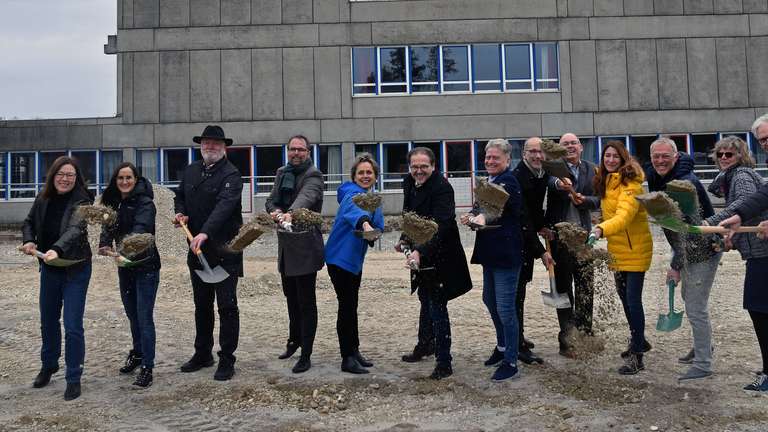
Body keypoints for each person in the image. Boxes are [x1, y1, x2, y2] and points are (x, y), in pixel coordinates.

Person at [644, 137, 721, 381]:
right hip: (687, 248)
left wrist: (675, 266)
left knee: (695, 307)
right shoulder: (661, 178)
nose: (660, 160)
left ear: (676, 157)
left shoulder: (684, 185)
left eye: (665, 156)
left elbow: (688, 231)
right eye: (656, 156)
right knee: (691, 300)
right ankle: (703, 347)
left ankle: (703, 364)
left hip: (703, 249)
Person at [461, 139, 535, 381]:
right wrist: (471, 216)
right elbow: (480, 207)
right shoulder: (489, 181)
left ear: (507, 160)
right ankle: (502, 346)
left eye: (495, 158)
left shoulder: (509, 182)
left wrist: (482, 217)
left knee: (505, 308)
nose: (490, 161)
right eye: (488, 157)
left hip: (506, 254)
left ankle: (511, 361)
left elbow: (495, 208)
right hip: (490, 253)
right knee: (489, 300)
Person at [21, 156, 94, 401]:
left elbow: (76, 229)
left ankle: (73, 377)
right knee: (48, 321)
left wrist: (58, 249)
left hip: (75, 267)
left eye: (70, 175)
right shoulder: (43, 198)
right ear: (53, 175)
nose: (65, 179)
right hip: (49, 268)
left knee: (73, 325)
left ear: (77, 179)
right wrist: (29, 241)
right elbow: (29, 222)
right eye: (61, 174)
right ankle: (49, 365)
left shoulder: (83, 200)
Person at [174, 125, 243, 381]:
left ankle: (227, 359)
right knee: (201, 305)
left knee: (227, 306)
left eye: (215, 143)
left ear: (224, 147)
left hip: (224, 250)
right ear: (201, 145)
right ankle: (202, 353)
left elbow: (224, 208)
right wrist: (180, 212)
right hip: (197, 252)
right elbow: (179, 196)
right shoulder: (191, 170)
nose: (210, 147)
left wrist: (205, 232)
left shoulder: (232, 175)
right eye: (206, 143)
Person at [398, 147, 472, 379]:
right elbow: (409, 214)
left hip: (442, 254)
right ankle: (425, 344)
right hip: (420, 252)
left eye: (424, 167)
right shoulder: (409, 182)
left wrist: (419, 251)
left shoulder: (442, 188)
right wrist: (404, 239)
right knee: (424, 298)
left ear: (433, 166)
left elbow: (441, 225)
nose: (419, 171)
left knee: (437, 306)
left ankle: (444, 361)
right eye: (414, 167)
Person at [705, 135, 768, 392]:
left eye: (728, 154)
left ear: (741, 155)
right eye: (719, 154)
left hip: (762, 252)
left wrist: (711, 223)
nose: (723, 158)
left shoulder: (740, 177)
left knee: (759, 309)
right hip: (757, 249)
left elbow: (743, 207)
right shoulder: (733, 177)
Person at [589, 141, 652, 375]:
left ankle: (637, 356)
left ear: (623, 158)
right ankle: (639, 340)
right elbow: (607, 209)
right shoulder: (608, 182)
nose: (611, 160)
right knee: (625, 299)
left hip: (635, 250)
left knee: (633, 301)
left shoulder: (630, 185)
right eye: (607, 156)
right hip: (618, 250)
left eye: (616, 156)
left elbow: (624, 217)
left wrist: (600, 229)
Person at [98, 162, 161, 388]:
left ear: (136, 180)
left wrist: (121, 249)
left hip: (146, 266)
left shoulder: (145, 203)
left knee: (144, 317)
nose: (124, 182)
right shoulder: (114, 203)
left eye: (128, 178)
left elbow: (141, 230)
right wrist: (104, 244)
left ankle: (148, 366)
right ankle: (137, 354)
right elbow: (107, 226)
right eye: (120, 178)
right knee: (132, 314)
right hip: (124, 266)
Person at [266, 135, 325, 374]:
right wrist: (276, 211)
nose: (296, 153)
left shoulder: (313, 174)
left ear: (308, 151)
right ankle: (294, 340)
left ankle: (306, 353)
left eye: (301, 149)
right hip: (286, 247)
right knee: (291, 299)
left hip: (306, 247)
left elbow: (306, 198)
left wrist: (289, 213)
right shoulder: (282, 172)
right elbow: (270, 201)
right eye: (292, 149)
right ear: (287, 151)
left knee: (306, 302)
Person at [324, 153, 385, 374]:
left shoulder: (372, 199)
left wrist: (376, 228)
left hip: (354, 261)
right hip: (339, 259)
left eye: (369, 172)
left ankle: (354, 350)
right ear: (354, 176)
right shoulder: (351, 193)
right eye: (361, 172)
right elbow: (354, 211)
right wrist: (366, 224)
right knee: (347, 306)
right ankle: (346, 357)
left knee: (352, 305)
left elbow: (379, 223)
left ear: (376, 176)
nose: (365, 176)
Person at [544, 133, 600, 357]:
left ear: (581, 147)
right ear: (559, 148)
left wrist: (585, 201)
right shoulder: (552, 168)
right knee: (563, 288)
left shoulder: (592, 169)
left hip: (584, 237)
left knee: (586, 285)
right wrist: (560, 183)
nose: (570, 147)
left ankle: (585, 333)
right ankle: (567, 337)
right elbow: (551, 183)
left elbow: (600, 198)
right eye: (565, 144)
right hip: (559, 239)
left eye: (573, 143)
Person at [511, 137, 554, 364]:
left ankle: (518, 337)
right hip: (517, 244)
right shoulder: (518, 177)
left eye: (541, 152)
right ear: (524, 154)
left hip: (527, 243)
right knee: (515, 295)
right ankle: (516, 344)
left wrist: (542, 226)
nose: (538, 156)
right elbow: (523, 218)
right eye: (533, 152)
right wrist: (541, 251)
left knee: (520, 293)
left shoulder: (541, 175)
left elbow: (536, 211)